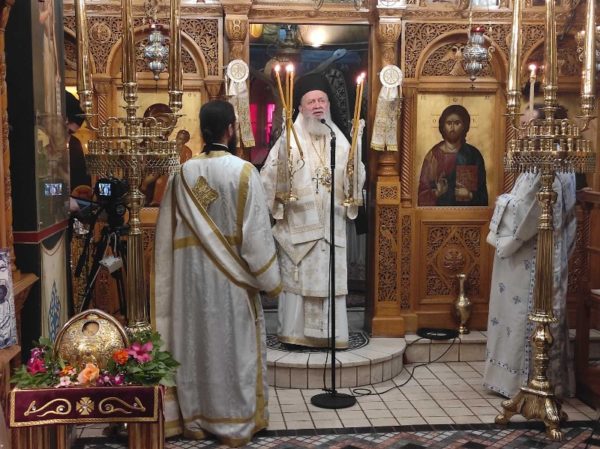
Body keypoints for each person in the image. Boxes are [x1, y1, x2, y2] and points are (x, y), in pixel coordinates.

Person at [154, 100, 281, 447]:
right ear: (230, 129)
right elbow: (256, 240)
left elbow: (165, 234)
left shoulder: (181, 174)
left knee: (195, 344)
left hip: (190, 283)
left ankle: (196, 419)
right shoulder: (244, 173)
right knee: (231, 348)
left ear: (202, 129)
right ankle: (234, 421)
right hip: (231, 285)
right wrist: (272, 282)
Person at [260, 73, 366, 349]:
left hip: (331, 226)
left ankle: (333, 335)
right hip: (299, 228)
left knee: (329, 280)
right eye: (311, 102)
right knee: (298, 281)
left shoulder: (340, 141)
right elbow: (268, 179)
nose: (318, 106)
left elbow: (354, 183)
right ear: (300, 107)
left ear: (328, 105)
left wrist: (355, 169)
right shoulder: (289, 140)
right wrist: (283, 182)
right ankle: (294, 335)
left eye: (322, 100)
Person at [483, 102, 576, 399]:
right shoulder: (539, 158)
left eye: (527, 124)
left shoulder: (552, 161)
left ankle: (527, 382)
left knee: (526, 315)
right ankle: (515, 381)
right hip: (527, 253)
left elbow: (532, 213)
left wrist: (504, 211)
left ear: (545, 128)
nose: (521, 130)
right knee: (513, 316)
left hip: (534, 255)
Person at [418, 104, 488, 206]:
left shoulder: (473, 155)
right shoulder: (433, 156)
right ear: (443, 126)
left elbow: (483, 197)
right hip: (437, 214)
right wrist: (437, 193)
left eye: (457, 123)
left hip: (467, 214)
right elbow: (421, 197)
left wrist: (469, 195)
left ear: (464, 126)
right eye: (448, 123)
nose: (452, 127)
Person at [66, 91, 92, 194]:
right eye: (68, 131)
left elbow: (81, 181)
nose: (67, 139)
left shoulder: (74, 143)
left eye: (71, 133)